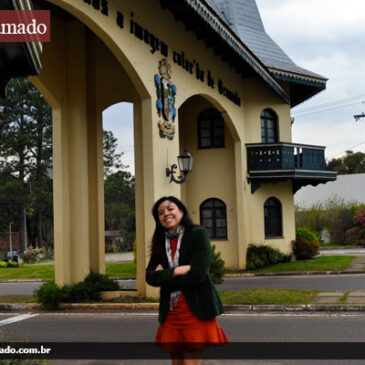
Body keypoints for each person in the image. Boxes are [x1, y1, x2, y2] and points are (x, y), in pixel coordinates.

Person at [146, 196, 228, 365]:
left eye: (170, 209)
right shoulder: (160, 241)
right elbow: (150, 277)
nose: (166, 214)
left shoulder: (198, 234)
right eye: (160, 212)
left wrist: (166, 276)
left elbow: (198, 275)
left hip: (194, 310)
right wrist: (177, 270)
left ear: (181, 211)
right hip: (170, 313)